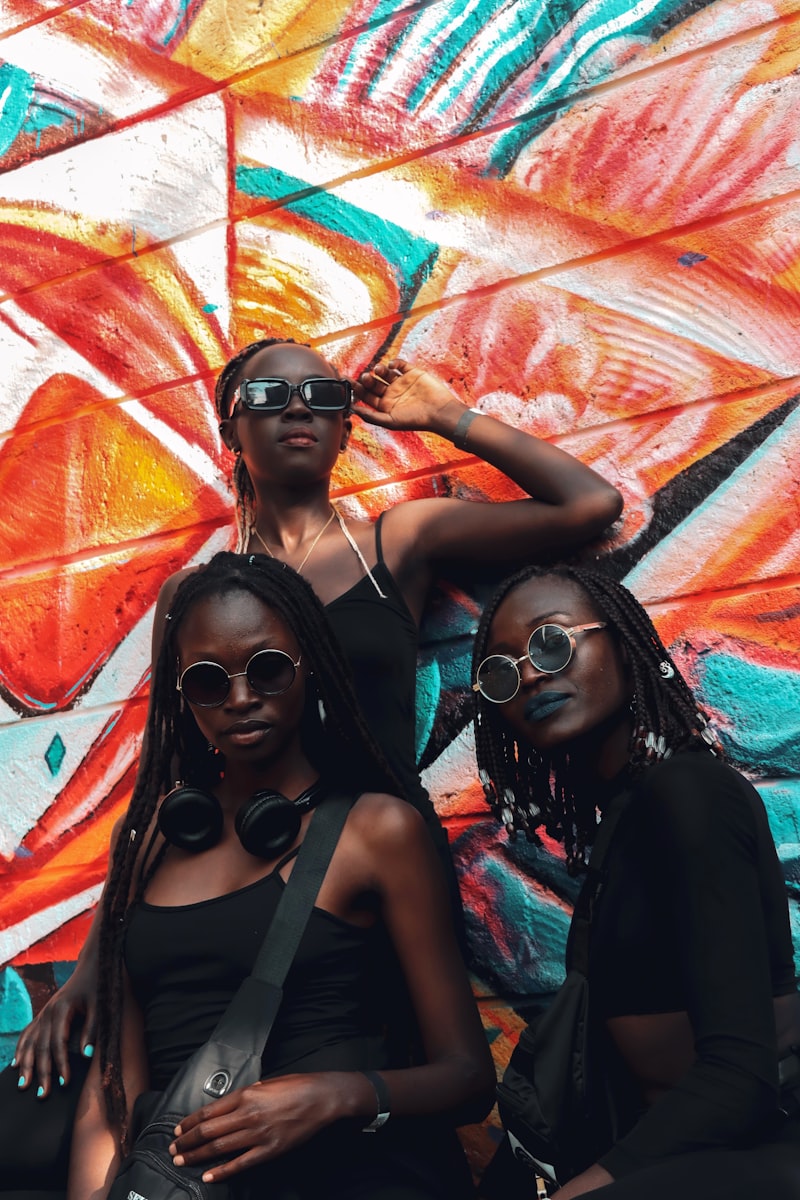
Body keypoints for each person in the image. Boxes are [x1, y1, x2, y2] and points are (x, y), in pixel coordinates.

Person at [14, 340, 623, 1100]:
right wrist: (95, 970)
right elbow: (166, 780)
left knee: (390, 1081)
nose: (297, 408)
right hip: (249, 873)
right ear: (232, 433)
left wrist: (448, 417)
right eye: (268, 397)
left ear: (344, 429)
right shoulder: (198, 599)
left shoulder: (396, 543)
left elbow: (592, 506)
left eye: (322, 395)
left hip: (379, 868)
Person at [67, 552, 495, 1200]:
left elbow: (468, 1077)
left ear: (311, 668)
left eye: (266, 669)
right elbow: (113, 1095)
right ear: (183, 697)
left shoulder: (375, 831)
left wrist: (334, 1096)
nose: (241, 699)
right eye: (210, 681)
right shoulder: (150, 841)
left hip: (354, 1175)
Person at [471, 563, 800, 1199]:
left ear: (622, 645)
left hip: (752, 1151)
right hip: (678, 1144)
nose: (531, 675)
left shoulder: (688, 793)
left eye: (552, 642)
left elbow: (740, 1076)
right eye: (501, 673)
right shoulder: (627, 812)